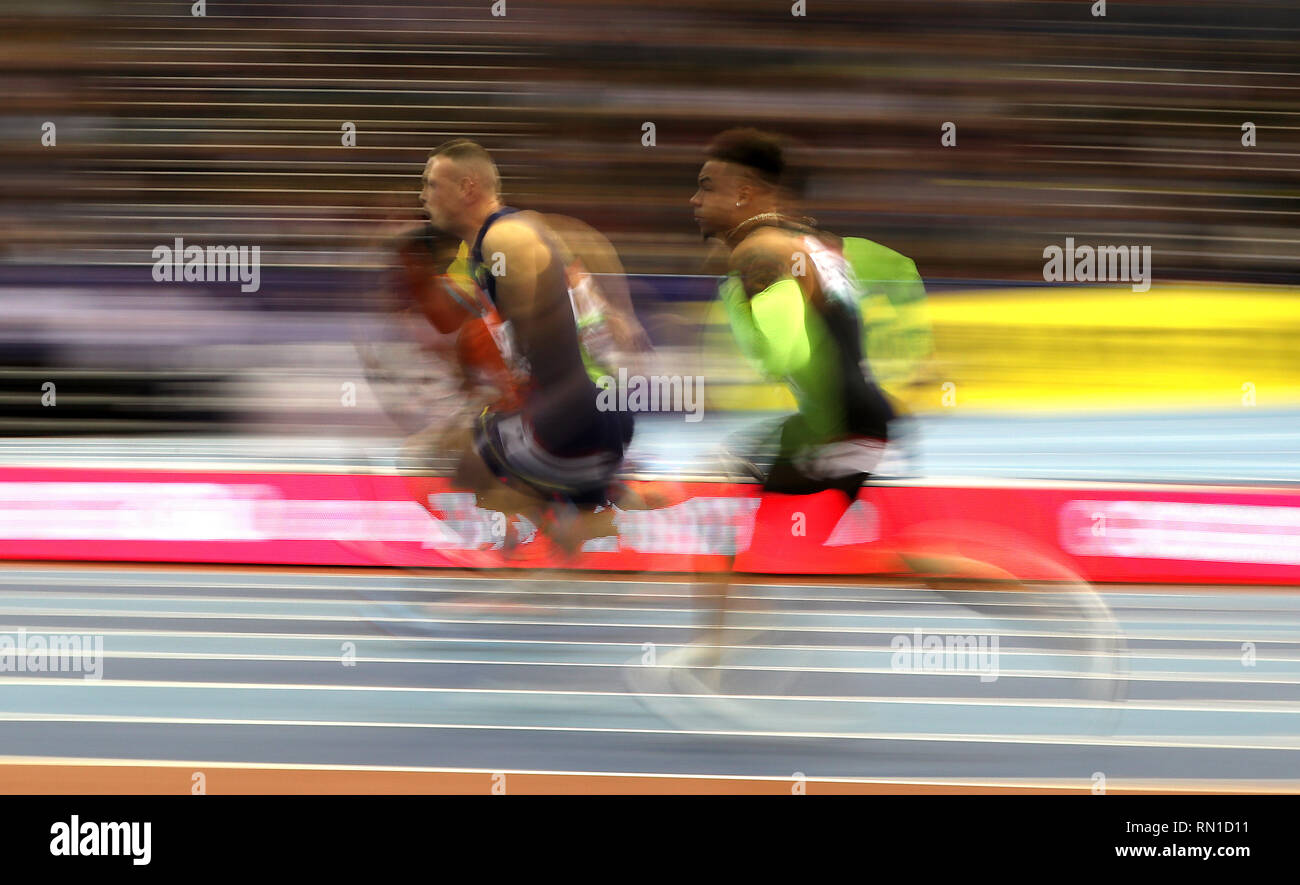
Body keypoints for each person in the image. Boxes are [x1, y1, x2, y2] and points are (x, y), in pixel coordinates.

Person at [418, 139, 640, 555]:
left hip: (571, 413)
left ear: (467, 188)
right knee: (469, 453)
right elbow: (582, 247)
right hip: (585, 408)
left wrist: (609, 316)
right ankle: (579, 527)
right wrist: (613, 309)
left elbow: (528, 336)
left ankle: (545, 535)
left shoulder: (504, 238)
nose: (423, 196)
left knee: (451, 454)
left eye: (431, 185)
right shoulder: (498, 238)